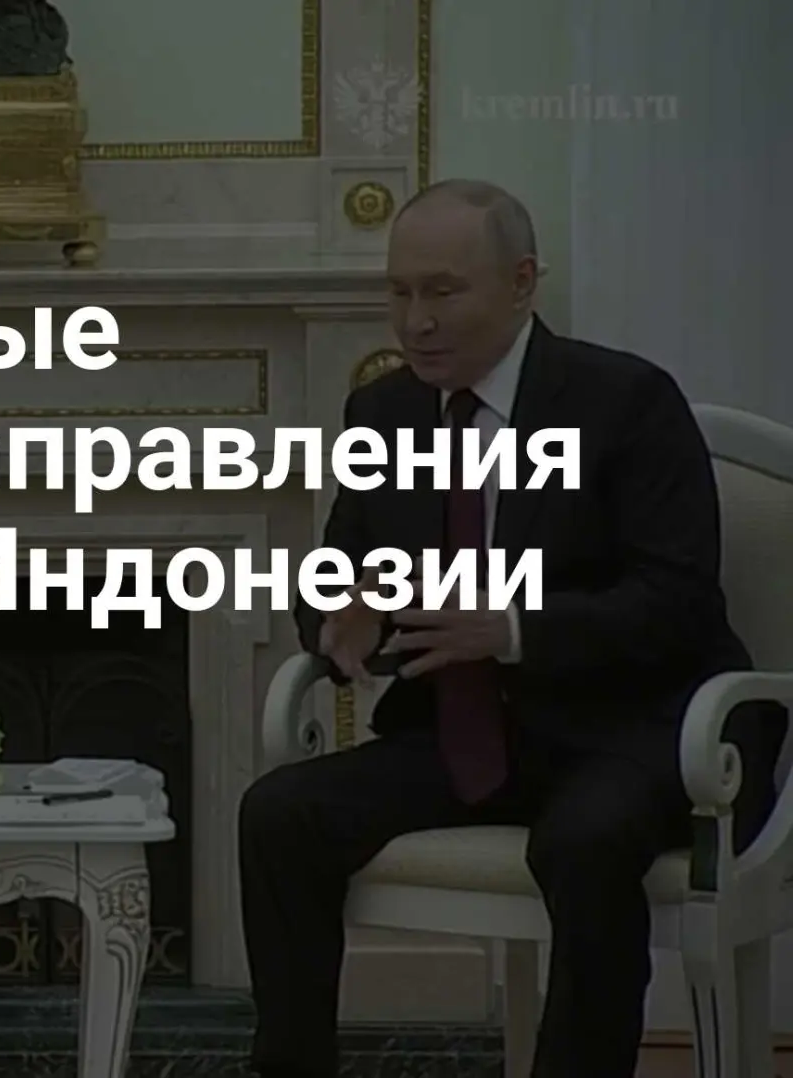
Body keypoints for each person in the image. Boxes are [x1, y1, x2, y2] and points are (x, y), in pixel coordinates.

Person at [237, 179, 784, 1078]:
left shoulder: (627, 400)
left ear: (523, 282)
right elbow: (336, 576)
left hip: (631, 730)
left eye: (443, 291)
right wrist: (339, 616)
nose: (416, 322)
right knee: (278, 814)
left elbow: (676, 601)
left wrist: (515, 627)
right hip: (461, 733)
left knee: (583, 840)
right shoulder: (384, 413)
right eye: (399, 292)